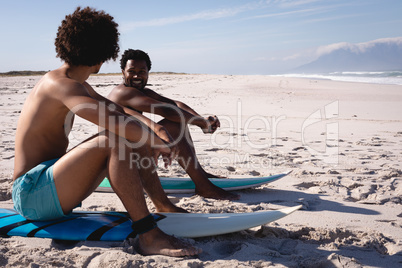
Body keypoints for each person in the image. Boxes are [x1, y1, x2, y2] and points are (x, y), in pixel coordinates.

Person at [12, 7, 201, 257]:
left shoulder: (76, 84)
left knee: (132, 135)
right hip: (31, 194)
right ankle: (148, 235)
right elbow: (117, 124)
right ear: (103, 53)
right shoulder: (61, 86)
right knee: (116, 139)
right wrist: (163, 145)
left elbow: (119, 112)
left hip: (49, 185)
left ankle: (162, 204)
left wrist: (157, 135)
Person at [108, 49, 240, 201]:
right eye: (132, 71)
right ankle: (203, 185)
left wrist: (201, 119)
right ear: (123, 72)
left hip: (131, 150)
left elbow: (175, 104)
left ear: (148, 73)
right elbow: (166, 111)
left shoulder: (141, 91)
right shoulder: (124, 93)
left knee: (178, 123)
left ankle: (200, 174)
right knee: (175, 124)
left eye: (142, 71)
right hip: (118, 160)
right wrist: (201, 123)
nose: (137, 76)